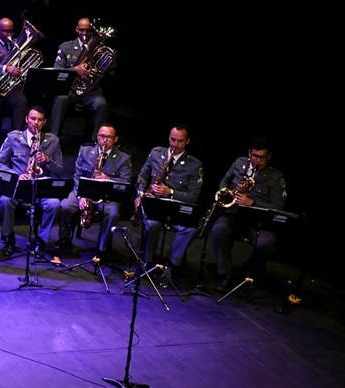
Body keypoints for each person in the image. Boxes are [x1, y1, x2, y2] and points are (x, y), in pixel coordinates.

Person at [210, 138, 287, 290]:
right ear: (249, 153)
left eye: (262, 157)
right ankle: (225, 273)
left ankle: (253, 275)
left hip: (258, 223)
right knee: (218, 230)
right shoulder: (239, 163)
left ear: (269, 157)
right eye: (254, 156)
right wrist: (228, 194)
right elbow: (224, 182)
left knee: (266, 243)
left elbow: (278, 207)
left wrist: (252, 203)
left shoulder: (276, 177)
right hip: (234, 215)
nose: (257, 160)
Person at [0, 105, 66, 258]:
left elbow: (60, 170)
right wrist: (15, 175)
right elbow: (0, 163)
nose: (36, 123)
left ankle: (41, 240)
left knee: (54, 204)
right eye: (33, 119)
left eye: (40, 120)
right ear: (26, 119)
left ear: (45, 122)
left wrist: (48, 161)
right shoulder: (13, 137)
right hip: (19, 184)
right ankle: (8, 237)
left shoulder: (53, 141)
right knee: (5, 201)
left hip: (40, 187)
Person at [134, 125, 203, 277]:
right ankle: (148, 261)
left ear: (187, 142)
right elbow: (142, 177)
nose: (175, 145)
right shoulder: (156, 153)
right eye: (172, 139)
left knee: (190, 229)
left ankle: (172, 264)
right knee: (152, 224)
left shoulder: (194, 165)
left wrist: (170, 192)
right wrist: (140, 194)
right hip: (154, 204)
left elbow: (193, 196)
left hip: (175, 209)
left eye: (180, 141)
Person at [60, 123, 132, 259]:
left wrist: (108, 179)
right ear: (97, 136)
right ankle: (65, 241)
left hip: (108, 196)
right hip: (85, 192)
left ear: (115, 139)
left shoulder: (123, 157)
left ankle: (102, 249)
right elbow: (77, 175)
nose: (104, 140)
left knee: (112, 214)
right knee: (65, 206)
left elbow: (126, 183)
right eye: (101, 136)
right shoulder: (86, 150)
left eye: (109, 137)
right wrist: (80, 195)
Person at [49, 17, 111, 141]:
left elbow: (105, 73)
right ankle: (53, 138)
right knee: (61, 99)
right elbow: (57, 71)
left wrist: (108, 66)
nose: (84, 33)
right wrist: (75, 69)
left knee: (101, 104)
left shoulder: (99, 48)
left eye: (87, 31)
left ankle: (96, 142)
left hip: (90, 90)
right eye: (81, 30)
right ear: (77, 29)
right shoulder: (66, 47)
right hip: (70, 88)